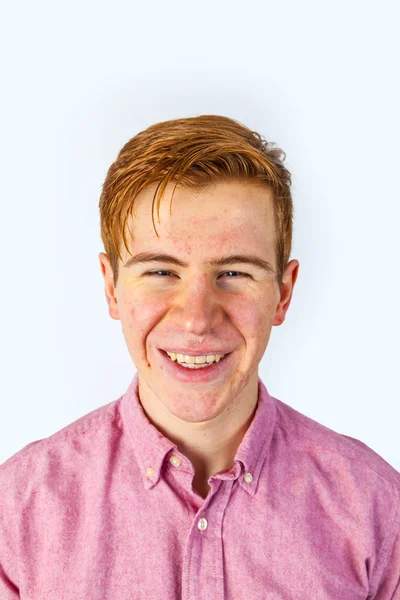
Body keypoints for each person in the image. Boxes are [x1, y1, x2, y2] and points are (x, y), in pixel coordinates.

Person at [0, 115, 399, 599]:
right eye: (162, 271)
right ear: (111, 288)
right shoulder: (17, 510)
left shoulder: (378, 507)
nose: (196, 319)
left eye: (233, 272)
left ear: (283, 293)